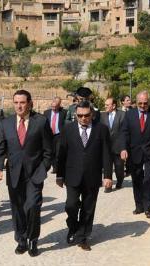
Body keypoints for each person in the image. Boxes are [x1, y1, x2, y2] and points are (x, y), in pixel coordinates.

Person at [0, 90, 52, 257]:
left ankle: (33, 240)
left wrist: (43, 168)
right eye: (16, 103)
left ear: (30, 103)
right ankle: (21, 239)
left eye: (22, 102)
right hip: (14, 174)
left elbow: (49, 150)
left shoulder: (40, 121)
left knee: (33, 206)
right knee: (17, 208)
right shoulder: (6, 123)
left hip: (34, 174)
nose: (19, 106)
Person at [57, 100, 112, 251]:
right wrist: (59, 175)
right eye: (80, 116)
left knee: (88, 208)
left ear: (92, 114)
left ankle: (82, 237)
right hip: (72, 175)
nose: (83, 118)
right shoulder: (68, 129)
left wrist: (107, 175)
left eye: (86, 115)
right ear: (76, 115)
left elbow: (107, 154)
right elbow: (61, 154)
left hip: (92, 176)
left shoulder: (102, 129)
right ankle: (73, 226)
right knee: (71, 205)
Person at [120, 90, 150, 219]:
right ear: (136, 102)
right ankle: (139, 205)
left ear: (149, 102)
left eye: (145, 103)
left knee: (149, 178)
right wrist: (123, 148)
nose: (142, 105)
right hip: (134, 152)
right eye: (140, 103)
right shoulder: (129, 114)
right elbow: (124, 133)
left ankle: (148, 207)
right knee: (137, 178)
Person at [100, 97, 125, 192]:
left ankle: (119, 180)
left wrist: (124, 147)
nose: (105, 106)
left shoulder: (122, 115)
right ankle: (108, 185)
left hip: (118, 147)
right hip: (106, 147)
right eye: (105, 104)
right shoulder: (102, 116)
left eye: (107, 105)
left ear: (114, 105)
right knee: (107, 167)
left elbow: (124, 132)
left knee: (119, 167)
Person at [43, 96, 67, 173]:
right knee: (51, 152)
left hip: (59, 134)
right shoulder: (46, 112)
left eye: (55, 106)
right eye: (52, 106)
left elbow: (66, 123)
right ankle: (54, 166)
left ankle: (57, 168)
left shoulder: (64, 112)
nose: (53, 108)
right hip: (49, 135)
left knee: (58, 152)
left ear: (59, 105)